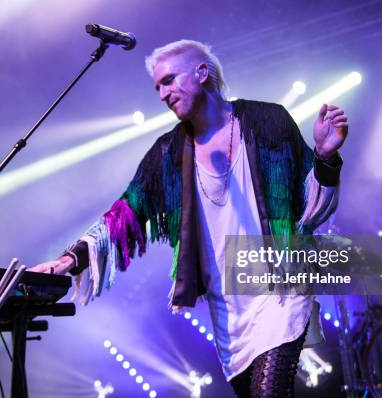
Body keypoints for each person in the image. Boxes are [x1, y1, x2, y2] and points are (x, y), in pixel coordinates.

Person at [29, 40, 348, 397]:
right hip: (228, 311)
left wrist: (324, 156)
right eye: (158, 87)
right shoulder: (167, 153)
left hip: (281, 290)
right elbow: (125, 212)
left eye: (168, 80)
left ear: (201, 72)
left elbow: (312, 209)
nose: (163, 94)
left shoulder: (268, 121)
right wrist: (69, 260)